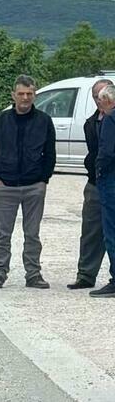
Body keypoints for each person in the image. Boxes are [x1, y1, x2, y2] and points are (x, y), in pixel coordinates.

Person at [0, 75, 56, 289]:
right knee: (2, 234)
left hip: (34, 185)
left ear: (35, 95)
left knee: (32, 234)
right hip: (5, 185)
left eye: (29, 94)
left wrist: (44, 179)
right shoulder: (0, 120)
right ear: (13, 95)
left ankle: (33, 274)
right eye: (21, 94)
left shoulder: (44, 121)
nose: (25, 98)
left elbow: (50, 154)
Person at [69, 79, 114, 290]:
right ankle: (86, 275)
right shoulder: (91, 122)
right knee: (90, 230)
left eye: (102, 95)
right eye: (95, 96)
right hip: (96, 183)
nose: (99, 100)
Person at [90, 83, 115, 297]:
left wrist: (98, 171)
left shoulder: (109, 118)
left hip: (111, 181)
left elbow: (106, 152)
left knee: (111, 231)